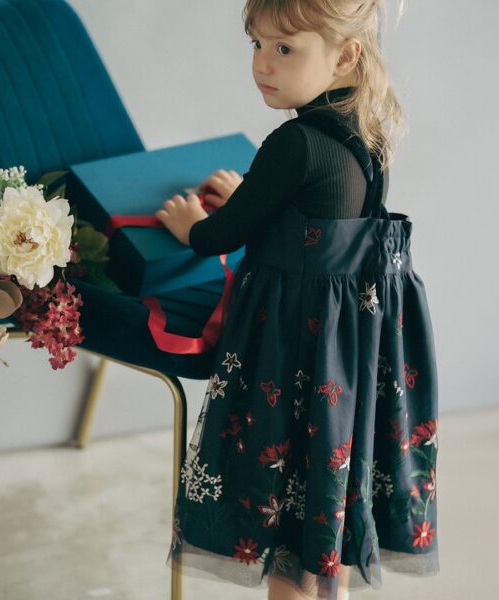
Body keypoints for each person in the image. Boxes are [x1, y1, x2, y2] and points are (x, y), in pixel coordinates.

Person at [155, 1, 439, 599]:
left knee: (281, 508)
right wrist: (254, 194)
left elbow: (219, 237)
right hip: (344, 354)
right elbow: (325, 218)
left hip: (293, 354)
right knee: (319, 502)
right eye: (258, 45)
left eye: (285, 49)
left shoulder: (294, 142)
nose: (263, 64)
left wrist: (190, 224)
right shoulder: (364, 128)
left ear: (345, 55)